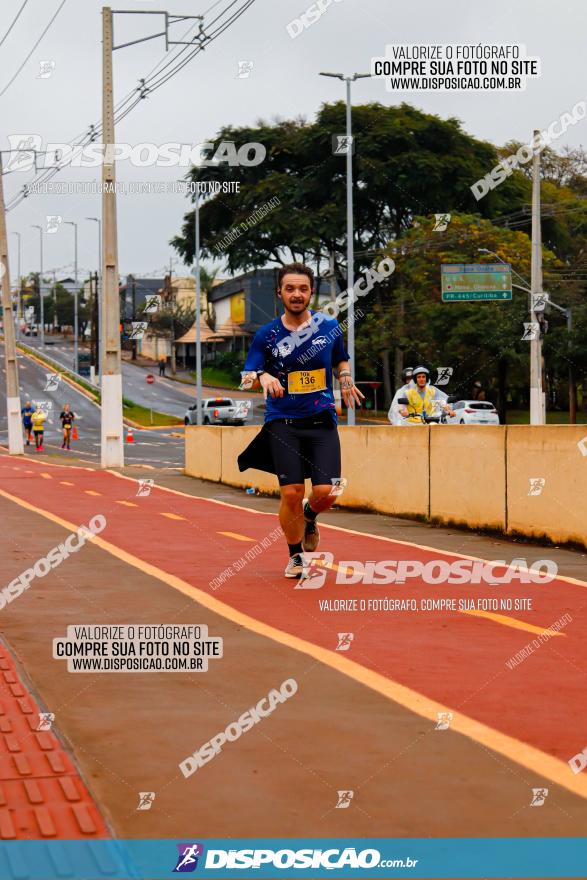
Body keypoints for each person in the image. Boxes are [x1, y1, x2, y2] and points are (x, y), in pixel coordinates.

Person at [238, 262, 364, 578]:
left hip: (321, 419)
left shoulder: (328, 326)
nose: (297, 294)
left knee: (329, 491)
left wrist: (345, 375)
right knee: (291, 491)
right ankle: (295, 556)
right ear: (279, 292)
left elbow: (339, 357)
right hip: (283, 421)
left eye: (303, 289)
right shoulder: (267, 335)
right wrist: (262, 375)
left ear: (311, 292)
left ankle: (310, 516)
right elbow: (245, 377)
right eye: (290, 288)